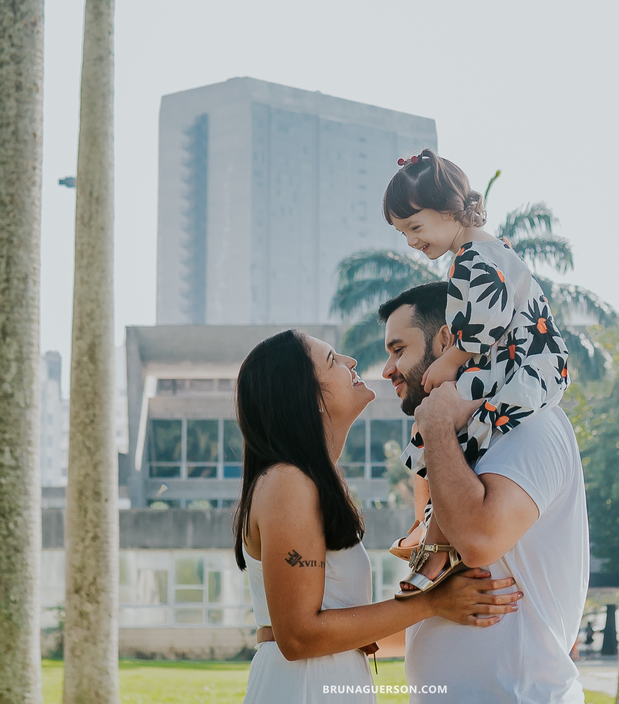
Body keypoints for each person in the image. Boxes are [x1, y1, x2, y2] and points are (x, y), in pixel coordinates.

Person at [234, 329, 522, 703]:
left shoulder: (313, 481)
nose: (350, 362)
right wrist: (433, 602)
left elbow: (339, 626)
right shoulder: (289, 482)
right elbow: (298, 636)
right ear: (306, 397)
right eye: (332, 360)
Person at [379, 283, 589, 702]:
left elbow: (477, 542)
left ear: (447, 341)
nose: (388, 369)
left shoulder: (531, 423)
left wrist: (436, 427)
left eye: (398, 349)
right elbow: (430, 582)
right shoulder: (457, 445)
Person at [382, 150, 572, 596]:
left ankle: (432, 542)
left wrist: (450, 360)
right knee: (443, 428)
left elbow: (486, 317)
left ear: (450, 212)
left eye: (415, 227)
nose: (411, 241)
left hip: (517, 367)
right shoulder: (487, 249)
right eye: (402, 232)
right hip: (520, 364)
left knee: (442, 430)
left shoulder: (473, 257)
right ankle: (430, 537)